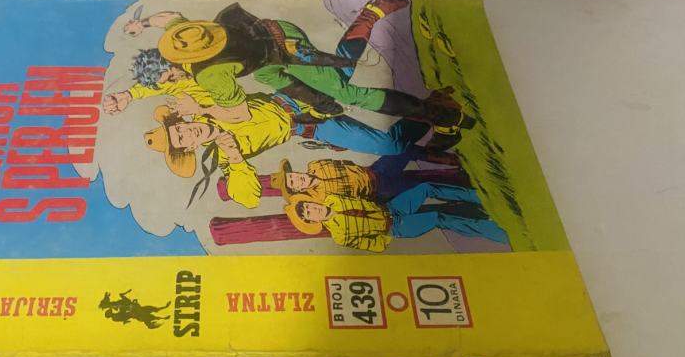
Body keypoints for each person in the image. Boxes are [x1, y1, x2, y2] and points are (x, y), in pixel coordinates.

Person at [123, 0, 472, 132]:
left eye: (168, 79)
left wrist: (200, 108)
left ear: (171, 69)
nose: (172, 82)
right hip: (270, 45)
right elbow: (169, 16)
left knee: (347, 91)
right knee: (284, 81)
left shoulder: (209, 76)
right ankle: (324, 101)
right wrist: (144, 23)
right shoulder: (183, 35)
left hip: (284, 49)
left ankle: (439, 114)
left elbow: (240, 113)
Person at [142, 92, 458, 209]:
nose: (187, 133)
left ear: (184, 121)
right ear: (191, 147)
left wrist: (203, 107)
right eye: (182, 140)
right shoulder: (226, 155)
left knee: (365, 96)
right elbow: (248, 198)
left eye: (180, 128)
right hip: (311, 127)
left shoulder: (207, 103)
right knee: (387, 145)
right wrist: (236, 159)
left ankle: (435, 111)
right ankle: (436, 109)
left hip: (300, 97)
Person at [284, 184, 510, 253]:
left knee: (426, 188)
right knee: (438, 217)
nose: (313, 209)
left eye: (310, 205)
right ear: (312, 221)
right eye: (309, 213)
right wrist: (387, 231)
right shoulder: (339, 235)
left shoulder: (334, 199)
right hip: (396, 226)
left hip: (392, 207)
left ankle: (479, 196)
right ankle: (496, 232)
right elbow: (372, 245)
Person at [270, 155, 470, 203]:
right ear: (298, 190)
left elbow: (346, 163)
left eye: (293, 175)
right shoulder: (320, 198)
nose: (297, 179)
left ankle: (453, 160)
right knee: (420, 183)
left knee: (403, 150)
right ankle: (462, 183)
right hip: (380, 190)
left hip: (375, 170)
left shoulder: (316, 165)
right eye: (293, 183)